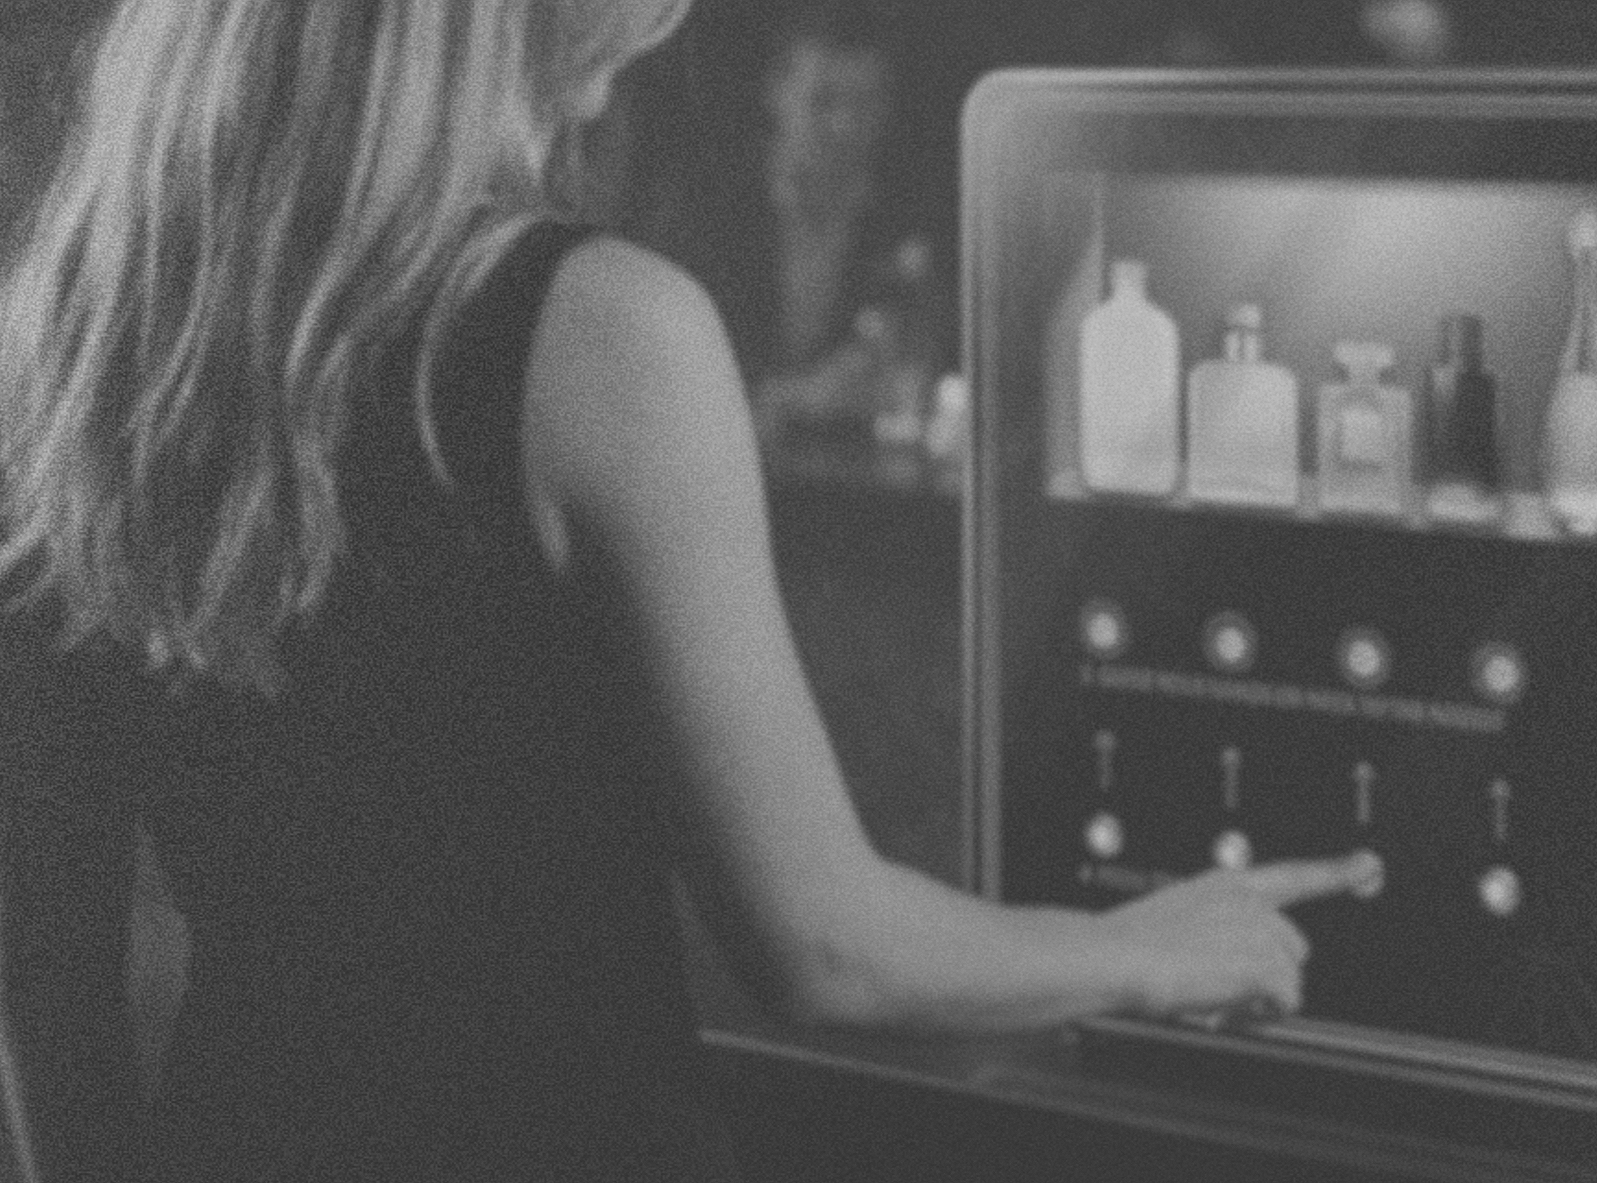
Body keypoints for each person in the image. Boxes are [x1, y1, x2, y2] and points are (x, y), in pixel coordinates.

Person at [0, 0, 1381, 1179]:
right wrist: (1146, 949)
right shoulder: (605, 332)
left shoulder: (77, 330)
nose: (624, 68)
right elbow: (827, 947)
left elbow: (46, 967)